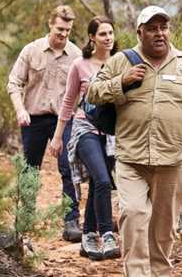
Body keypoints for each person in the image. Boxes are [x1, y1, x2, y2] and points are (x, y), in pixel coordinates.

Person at [87, 5, 182, 277]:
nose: (160, 33)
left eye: (164, 27)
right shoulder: (122, 60)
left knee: (163, 231)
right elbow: (92, 92)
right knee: (133, 215)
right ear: (140, 32)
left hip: (171, 162)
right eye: (152, 28)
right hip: (131, 159)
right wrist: (121, 82)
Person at [6, 4, 82, 242]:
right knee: (30, 169)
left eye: (68, 30)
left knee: (69, 168)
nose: (63, 34)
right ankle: (24, 220)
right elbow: (14, 83)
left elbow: (84, 91)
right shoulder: (32, 50)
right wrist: (20, 110)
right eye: (60, 29)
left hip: (64, 119)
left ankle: (71, 221)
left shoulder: (77, 55)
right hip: (33, 118)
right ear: (50, 23)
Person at [49, 15, 121, 261]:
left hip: (110, 134)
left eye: (110, 33)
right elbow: (69, 101)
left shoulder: (120, 63)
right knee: (102, 180)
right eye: (102, 34)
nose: (108, 38)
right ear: (92, 37)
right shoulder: (80, 65)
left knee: (97, 185)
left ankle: (88, 236)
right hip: (84, 128)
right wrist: (58, 137)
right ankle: (107, 234)